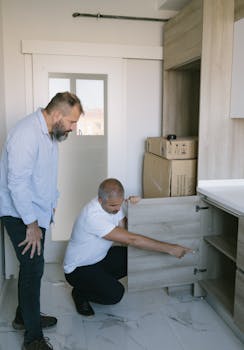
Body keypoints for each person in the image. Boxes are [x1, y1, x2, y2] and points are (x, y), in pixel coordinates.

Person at [0, 92, 83, 350]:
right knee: (34, 269)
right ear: (57, 115)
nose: (73, 128)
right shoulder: (26, 133)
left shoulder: (50, 136)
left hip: (36, 212)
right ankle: (32, 339)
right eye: (71, 122)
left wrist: (52, 201)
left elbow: (45, 175)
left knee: (30, 268)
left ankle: (24, 317)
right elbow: (17, 183)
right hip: (20, 215)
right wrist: (32, 224)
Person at [63, 178, 192, 317]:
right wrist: (171, 248)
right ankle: (80, 292)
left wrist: (136, 207)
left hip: (99, 258)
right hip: (78, 269)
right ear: (100, 200)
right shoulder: (92, 217)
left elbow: (125, 233)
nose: (117, 209)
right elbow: (132, 239)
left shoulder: (113, 204)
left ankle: (98, 283)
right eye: (113, 206)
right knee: (115, 294)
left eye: (119, 204)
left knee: (132, 257)